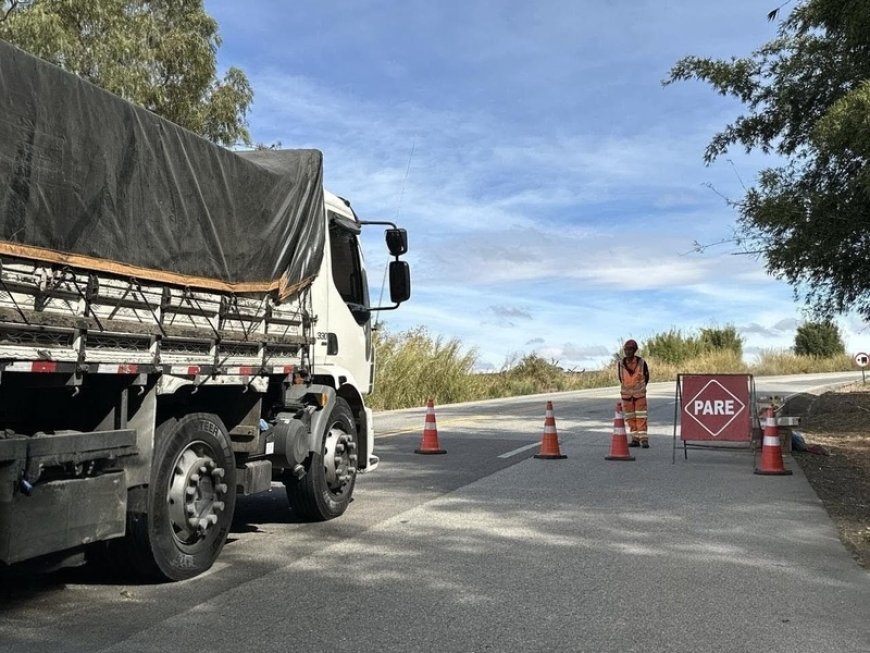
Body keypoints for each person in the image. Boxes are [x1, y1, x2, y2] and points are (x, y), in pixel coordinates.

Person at [617, 339, 650, 448]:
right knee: (630, 418)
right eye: (626, 349)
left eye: (630, 349)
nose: (628, 351)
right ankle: (635, 439)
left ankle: (644, 439)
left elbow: (646, 377)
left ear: (634, 350)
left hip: (639, 395)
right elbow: (621, 378)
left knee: (641, 417)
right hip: (626, 396)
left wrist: (638, 388)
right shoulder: (620, 364)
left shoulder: (641, 362)